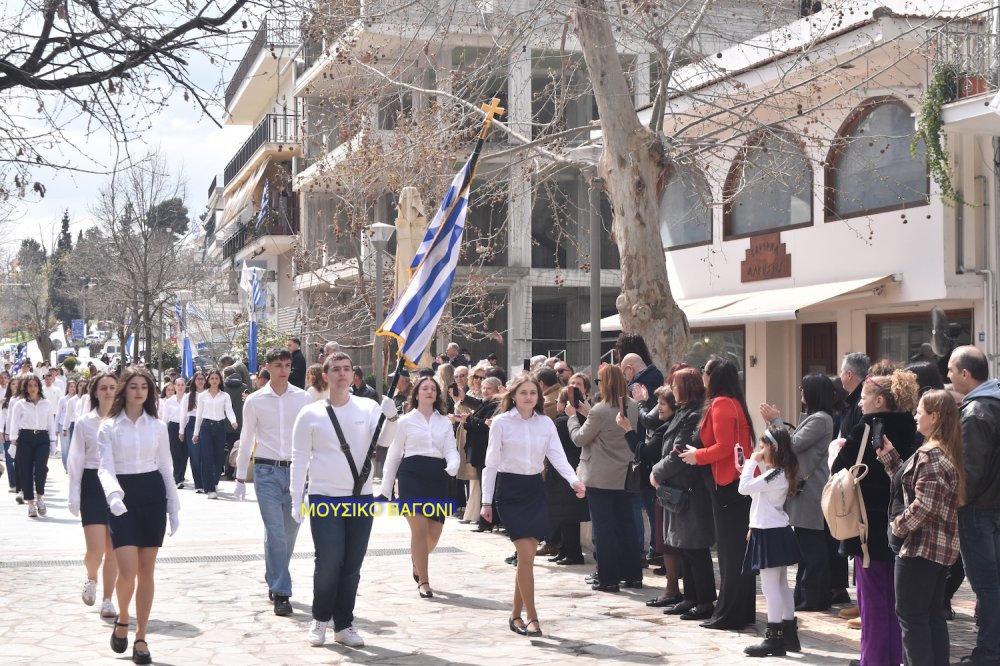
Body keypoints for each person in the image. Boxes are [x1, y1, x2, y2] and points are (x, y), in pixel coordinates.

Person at [290, 352, 398, 648]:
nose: (341, 373)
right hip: (325, 497)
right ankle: (320, 618)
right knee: (329, 560)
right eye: (335, 369)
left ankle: (344, 623)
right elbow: (299, 458)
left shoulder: (368, 406)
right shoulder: (310, 413)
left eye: (346, 369)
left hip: (361, 498)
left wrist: (391, 417)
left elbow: (385, 441)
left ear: (353, 374)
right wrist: (295, 497)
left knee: (352, 563)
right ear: (325, 375)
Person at [481, 373, 585, 637]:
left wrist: (574, 481)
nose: (529, 397)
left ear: (538, 397)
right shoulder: (501, 423)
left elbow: (558, 457)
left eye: (533, 393)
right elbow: (490, 464)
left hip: (535, 491)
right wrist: (485, 501)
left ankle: (515, 615)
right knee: (526, 555)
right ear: (513, 396)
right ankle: (532, 617)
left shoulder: (546, 424)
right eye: (523, 392)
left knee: (525, 559)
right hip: (509, 491)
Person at [832, 368, 919, 666]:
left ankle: (873, 660)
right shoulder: (913, 426)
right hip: (903, 527)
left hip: (867, 527)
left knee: (871, 607)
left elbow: (838, 473)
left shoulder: (867, 428)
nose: (860, 403)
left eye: (865, 396)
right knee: (898, 605)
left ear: (879, 400)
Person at [97, 368, 179, 666]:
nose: (140, 391)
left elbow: (167, 467)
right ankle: (122, 618)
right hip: (122, 495)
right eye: (134, 386)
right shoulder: (108, 427)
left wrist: (174, 505)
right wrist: (113, 495)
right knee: (127, 571)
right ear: (124, 390)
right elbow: (104, 467)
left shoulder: (157, 426)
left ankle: (141, 636)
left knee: (147, 572)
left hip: (152, 494)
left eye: (145, 386)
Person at [878, 389, 963, 666]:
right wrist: (891, 459)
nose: (915, 415)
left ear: (935, 416)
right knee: (930, 615)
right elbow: (912, 487)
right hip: (936, 550)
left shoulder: (932, 456)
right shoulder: (941, 453)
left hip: (920, 548)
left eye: (920, 411)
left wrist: (897, 527)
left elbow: (924, 505)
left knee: (912, 618)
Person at [679, 356, 756, 630]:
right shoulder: (734, 402)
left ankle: (729, 614)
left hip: (727, 485)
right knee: (738, 553)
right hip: (736, 484)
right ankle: (740, 611)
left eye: (704, 370)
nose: (702, 375)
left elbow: (724, 447)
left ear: (713, 376)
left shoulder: (722, 404)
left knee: (731, 554)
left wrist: (696, 455)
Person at [234, 347, 311, 616]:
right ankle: (282, 592)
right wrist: (240, 478)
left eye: (287, 365)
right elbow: (246, 439)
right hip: (266, 471)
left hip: (296, 472)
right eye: (277, 365)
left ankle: (274, 574)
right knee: (275, 530)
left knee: (289, 532)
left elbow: (312, 438)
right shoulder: (254, 401)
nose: (283, 370)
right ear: (267, 366)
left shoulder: (303, 399)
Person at [378, 376, 459, 599]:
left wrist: (453, 465)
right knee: (419, 529)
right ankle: (424, 581)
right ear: (416, 393)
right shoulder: (405, 421)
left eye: (433, 388)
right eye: (425, 388)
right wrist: (386, 490)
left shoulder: (444, 421)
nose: (429, 391)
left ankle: (418, 560)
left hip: (437, 476)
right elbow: (394, 456)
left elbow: (451, 449)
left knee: (433, 535)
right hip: (411, 475)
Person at [759, 373, 835, 612]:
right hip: (806, 489)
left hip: (811, 491)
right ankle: (805, 596)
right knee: (806, 547)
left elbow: (791, 444)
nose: (800, 391)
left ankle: (814, 597)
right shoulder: (815, 417)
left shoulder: (821, 419)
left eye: (804, 388)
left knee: (812, 548)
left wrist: (777, 421)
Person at [566, 363, 642, 593]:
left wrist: (572, 418)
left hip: (599, 476)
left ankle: (607, 577)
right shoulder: (634, 406)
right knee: (626, 526)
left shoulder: (600, 410)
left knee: (604, 529)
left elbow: (579, 438)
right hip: (625, 474)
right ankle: (632, 575)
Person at [947, 345, 1000, 665]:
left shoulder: (975, 411)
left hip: (978, 510)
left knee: (985, 585)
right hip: (992, 508)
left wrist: (956, 505)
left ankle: (990, 650)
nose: (948, 376)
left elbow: (970, 472)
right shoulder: (992, 403)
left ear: (966, 374)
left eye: (951, 370)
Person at [651, 367, 717, 620]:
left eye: (676, 385)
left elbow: (680, 450)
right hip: (677, 487)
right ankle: (690, 597)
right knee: (684, 546)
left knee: (695, 547)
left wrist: (657, 472)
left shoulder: (695, 413)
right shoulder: (686, 411)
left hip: (691, 488)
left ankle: (704, 601)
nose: (673, 390)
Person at [739, 426, 802, 658]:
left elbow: (743, 488)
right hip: (775, 530)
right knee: (782, 585)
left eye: (763, 446)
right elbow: (757, 495)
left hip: (769, 532)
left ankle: (774, 638)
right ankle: (789, 635)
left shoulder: (773, 474)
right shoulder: (778, 473)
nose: (760, 450)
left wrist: (750, 463)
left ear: (773, 448)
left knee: (770, 587)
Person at [67, 372, 119, 619]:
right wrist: (73, 495)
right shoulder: (84, 422)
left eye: (112, 387)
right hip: (92, 482)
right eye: (103, 388)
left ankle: (108, 599)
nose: (108, 392)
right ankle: (91, 577)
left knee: (115, 549)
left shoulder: (124, 419)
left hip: (119, 484)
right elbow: (75, 459)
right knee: (96, 550)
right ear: (95, 392)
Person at [547, 384, 591, 565]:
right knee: (567, 516)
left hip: (563, 473)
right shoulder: (584, 420)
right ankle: (565, 550)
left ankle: (572, 553)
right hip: (575, 470)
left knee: (566, 516)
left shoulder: (561, 422)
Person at [9, 375, 57, 518]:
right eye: (29, 385)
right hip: (25, 438)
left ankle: (40, 498)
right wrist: (13, 442)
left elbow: (50, 423)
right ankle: (30, 504)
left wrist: (53, 442)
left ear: (39, 387)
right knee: (26, 471)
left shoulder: (46, 403)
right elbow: (14, 423)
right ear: (26, 387)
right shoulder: (20, 404)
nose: (32, 388)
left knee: (41, 469)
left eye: (35, 385)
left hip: (42, 438)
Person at [191, 369, 238, 499]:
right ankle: (210, 488)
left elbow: (229, 410)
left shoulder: (225, 396)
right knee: (206, 457)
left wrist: (233, 421)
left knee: (218, 458)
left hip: (220, 427)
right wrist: (196, 433)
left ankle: (215, 481)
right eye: (212, 378)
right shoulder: (203, 396)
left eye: (217, 378)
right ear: (208, 380)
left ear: (220, 380)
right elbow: (199, 415)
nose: (214, 380)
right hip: (206, 427)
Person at [463, 376, 502, 532]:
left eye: (488, 388)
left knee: (487, 484)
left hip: (486, 448)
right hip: (478, 448)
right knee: (483, 483)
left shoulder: (496, 404)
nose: (485, 391)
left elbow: (486, 425)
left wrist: (470, 419)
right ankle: (487, 520)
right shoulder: (485, 403)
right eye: (484, 388)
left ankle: (487, 521)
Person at [181, 371, 206, 492]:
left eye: (202, 379)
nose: (200, 381)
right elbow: (183, 415)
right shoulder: (188, 396)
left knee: (205, 455)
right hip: (191, 424)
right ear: (194, 381)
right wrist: (181, 430)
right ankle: (199, 484)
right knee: (195, 455)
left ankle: (208, 482)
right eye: (198, 379)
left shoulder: (208, 395)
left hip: (206, 424)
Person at [161, 378, 187, 489]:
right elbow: (165, 418)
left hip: (186, 427)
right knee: (176, 453)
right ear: (175, 387)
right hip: (173, 427)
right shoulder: (169, 401)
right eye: (178, 385)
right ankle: (178, 478)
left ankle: (181, 475)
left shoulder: (189, 398)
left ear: (185, 386)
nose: (180, 387)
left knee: (185, 454)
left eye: (182, 385)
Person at [221, 367, 246, 481]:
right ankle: (231, 472)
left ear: (226, 375)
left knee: (221, 448)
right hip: (239, 423)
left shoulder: (223, 388)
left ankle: (222, 470)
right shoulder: (244, 388)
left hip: (224, 422)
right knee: (235, 448)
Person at [1, 377, 21, 495]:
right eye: (13, 384)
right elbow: (2, 418)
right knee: (9, 458)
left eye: (17, 384)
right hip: (7, 431)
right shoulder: (5, 401)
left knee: (20, 458)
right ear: (10, 386)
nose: (15, 386)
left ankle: (22, 482)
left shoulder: (25, 400)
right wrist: (1, 432)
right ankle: (13, 483)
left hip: (21, 431)